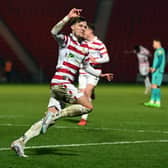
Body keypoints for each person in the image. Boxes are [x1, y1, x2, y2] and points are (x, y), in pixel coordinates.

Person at [11, 8, 113, 157]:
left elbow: (86, 67)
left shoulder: (84, 49)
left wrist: (101, 74)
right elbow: (53, 32)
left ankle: (20, 142)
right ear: (72, 27)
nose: (83, 29)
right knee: (88, 106)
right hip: (61, 82)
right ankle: (55, 116)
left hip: (62, 87)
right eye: (80, 26)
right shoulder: (66, 40)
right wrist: (67, 17)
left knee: (49, 121)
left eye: (85, 27)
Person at [77, 23, 110, 126]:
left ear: (90, 31)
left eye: (85, 29)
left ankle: (83, 118)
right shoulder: (83, 43)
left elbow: (106, 58)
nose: (83, 31)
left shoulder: (99, 44)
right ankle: (91, 91)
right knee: (81, 94)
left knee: (87, 92)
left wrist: (95, 60)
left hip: (94, 71)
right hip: (83, 71)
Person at [144, 39, 166, 108]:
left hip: (158, 71)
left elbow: (160, 59)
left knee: (156, 86)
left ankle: (157, 102)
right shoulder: (158, 51)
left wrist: (155, 68)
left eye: (154, 43)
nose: (153, 45)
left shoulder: (160, 50)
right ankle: (152, 101)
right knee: (154, 86)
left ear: (158, 43)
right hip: (156, 71)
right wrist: (153, 68)